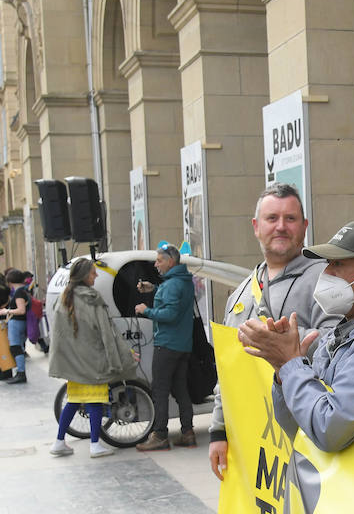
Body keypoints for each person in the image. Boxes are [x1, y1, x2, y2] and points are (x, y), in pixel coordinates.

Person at [239, 220, 354, 453]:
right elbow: (298, 428)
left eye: (338, 264)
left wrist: (291, 365)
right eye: (328, 263)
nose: (326, 273)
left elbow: (329, 430)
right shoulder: (341, 333)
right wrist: (284, 372)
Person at [208, 183, 338, 479]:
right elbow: (226, 370)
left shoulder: (327, 279)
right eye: (272, 218)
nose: (281, 226)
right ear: (256, 226)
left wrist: (285, 344)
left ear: (304, 226)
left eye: (290, 219)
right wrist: (218, 430)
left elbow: (339, 348)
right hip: (253, 446)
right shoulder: (239, 295)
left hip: (306, 441)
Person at [47, 258, 138, 457]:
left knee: (73, 401)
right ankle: (95, 444)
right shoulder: (92, 298)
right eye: (92, 273)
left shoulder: (65, 298)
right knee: (96, 402)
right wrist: (125, 355)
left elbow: (60, 335)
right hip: (93, 361)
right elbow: (108, 333)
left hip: (74, 364)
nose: (96, 276)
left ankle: (59, 442)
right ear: (83, 276)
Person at [133, 244, 197, 450]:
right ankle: (188, 432)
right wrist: (154, 288)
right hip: (183, 345)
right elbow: (173, 299)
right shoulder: (183, 281)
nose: (156, 264)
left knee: (160, 390)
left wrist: (146, 310)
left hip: (167, 344)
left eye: (159, 260)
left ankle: (159, 435)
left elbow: (169, 314)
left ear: (170, 262)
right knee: (181, 389)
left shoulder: (171, 285)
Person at [2, 269, 32, 384]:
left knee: (15, 347)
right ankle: (20, 372)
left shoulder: (19, 293)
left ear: (10, 281)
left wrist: (6, 311)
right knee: (18, 347)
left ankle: (21, 373)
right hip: (20, 322)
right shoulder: (24, 291)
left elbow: (21, 310)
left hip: (17, 322)